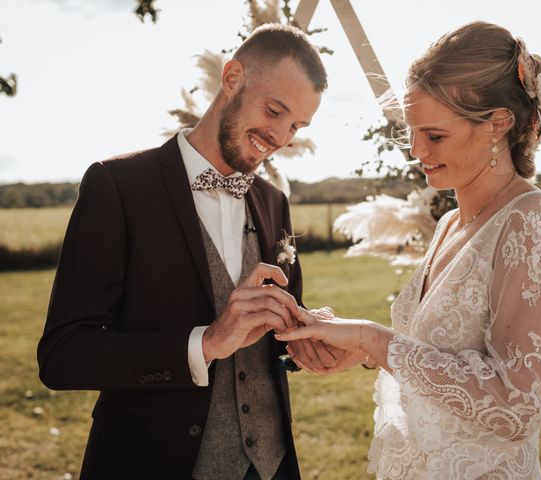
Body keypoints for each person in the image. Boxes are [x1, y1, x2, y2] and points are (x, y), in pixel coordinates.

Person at [276, 21, 541, 479]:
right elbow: (430, 357)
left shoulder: (536, 221)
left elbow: (516, 408)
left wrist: (371, 339)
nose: (417, 150)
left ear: (499, 125)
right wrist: (361, 351)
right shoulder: (449, 224)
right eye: (412, 132)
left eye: (435, 136)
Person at [38, 23, 336, 480]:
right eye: (275, 110)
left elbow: (273, 327)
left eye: (296, 124)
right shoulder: (117, 186)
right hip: (153, 461)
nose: (281, 136)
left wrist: (302, 339)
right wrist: (206, 343)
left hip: (273, 466)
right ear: (232, 76)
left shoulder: (274, 200)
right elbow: (63, 354)